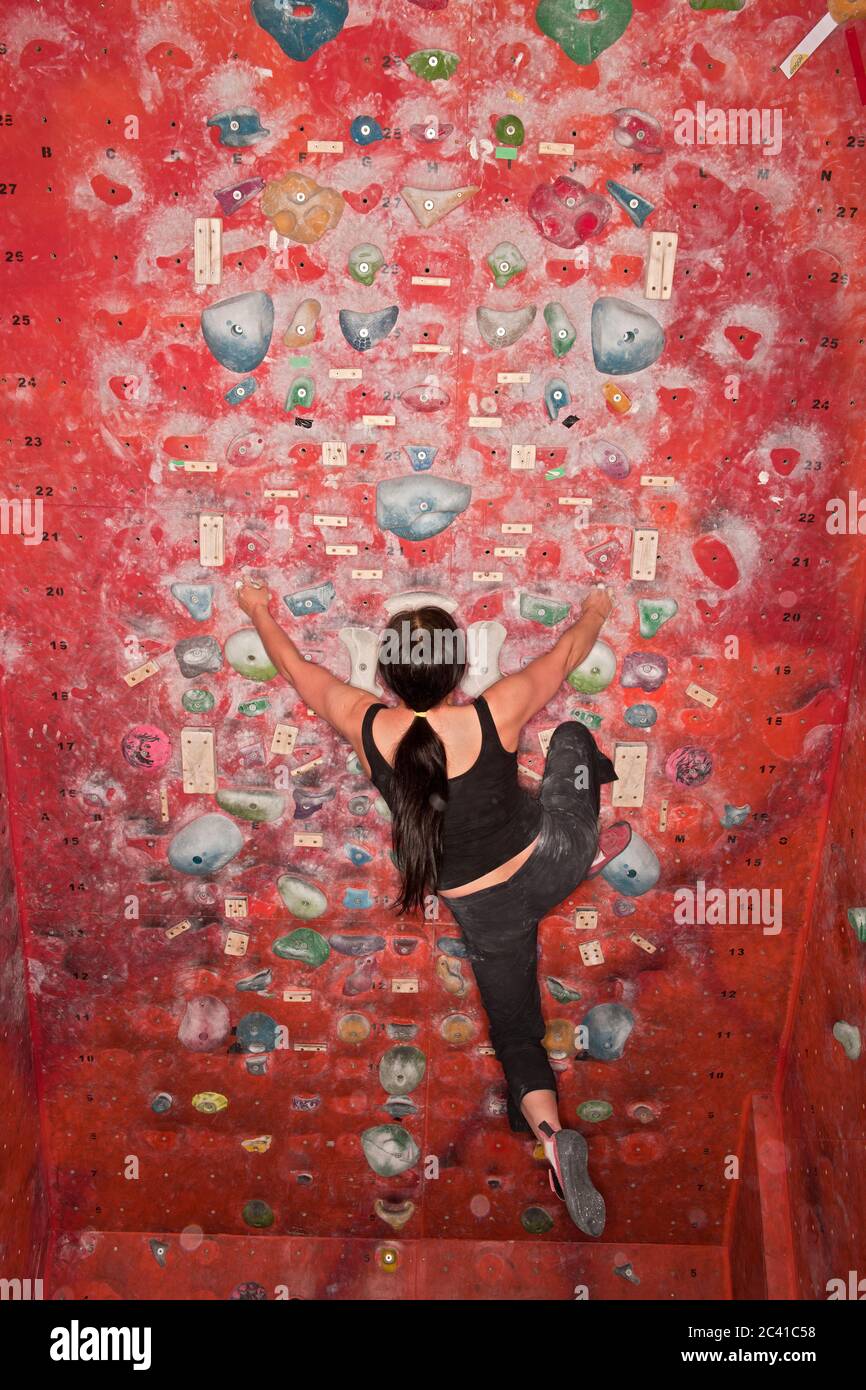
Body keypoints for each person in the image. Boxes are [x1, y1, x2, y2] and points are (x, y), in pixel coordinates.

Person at [235, 577, 617, 1236]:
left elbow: (298, 670)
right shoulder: (494, 709)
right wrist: (597, 609)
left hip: (487, 909)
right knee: (574, 740)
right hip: (554, 854)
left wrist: (258, 610)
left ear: (386, 675)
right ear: (459, 671)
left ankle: (551, 1132)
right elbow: (573, 649)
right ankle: (591, 848)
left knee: (517, 1036)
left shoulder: (371, 725)